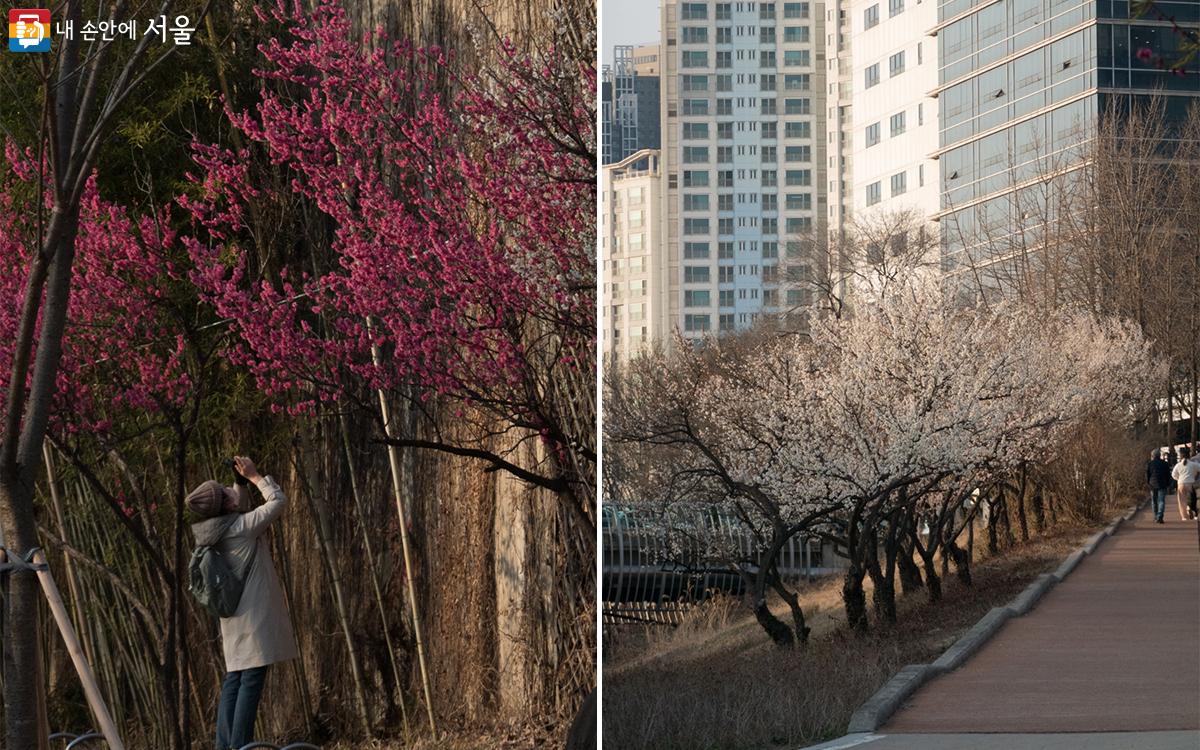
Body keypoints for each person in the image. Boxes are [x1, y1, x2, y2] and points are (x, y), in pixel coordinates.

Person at [186, 456, 298, 750]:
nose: (229, 490)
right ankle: (240, 745)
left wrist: (238, 480)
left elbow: (238, 504)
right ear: (225, 505)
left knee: (234, 680)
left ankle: (226, 746)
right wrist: (256, 475)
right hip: (253, 616)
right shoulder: (242, 528)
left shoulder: (214, 532)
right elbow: (277, 502)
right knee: (251, 679)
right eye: (225, 492)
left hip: (233, 618)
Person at [1170, 447, 1200, 522]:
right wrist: (1195, 475)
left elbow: (1173, 475)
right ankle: (1192, 511)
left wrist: (1178, 479)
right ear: (1189, 455)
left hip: (1181, 483)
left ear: (1181, 456)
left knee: (1181, 500)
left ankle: (1184, 517)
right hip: (1191, 483)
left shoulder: (1178, 465)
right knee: (1193, 499)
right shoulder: (1193, 464)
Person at [1146, 448, 1171, 524]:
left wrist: (1148, 483)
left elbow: (1147, 475)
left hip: (1152, 484)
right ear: (1159, 455)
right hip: (1162, 484)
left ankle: (1156, 516)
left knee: (1154, 501)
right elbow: (1168, 475)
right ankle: (1160, 516)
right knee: (1161, 501)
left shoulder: (1149, 464)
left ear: (1152, 455)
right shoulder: (1165, 463)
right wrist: (1168, 483)